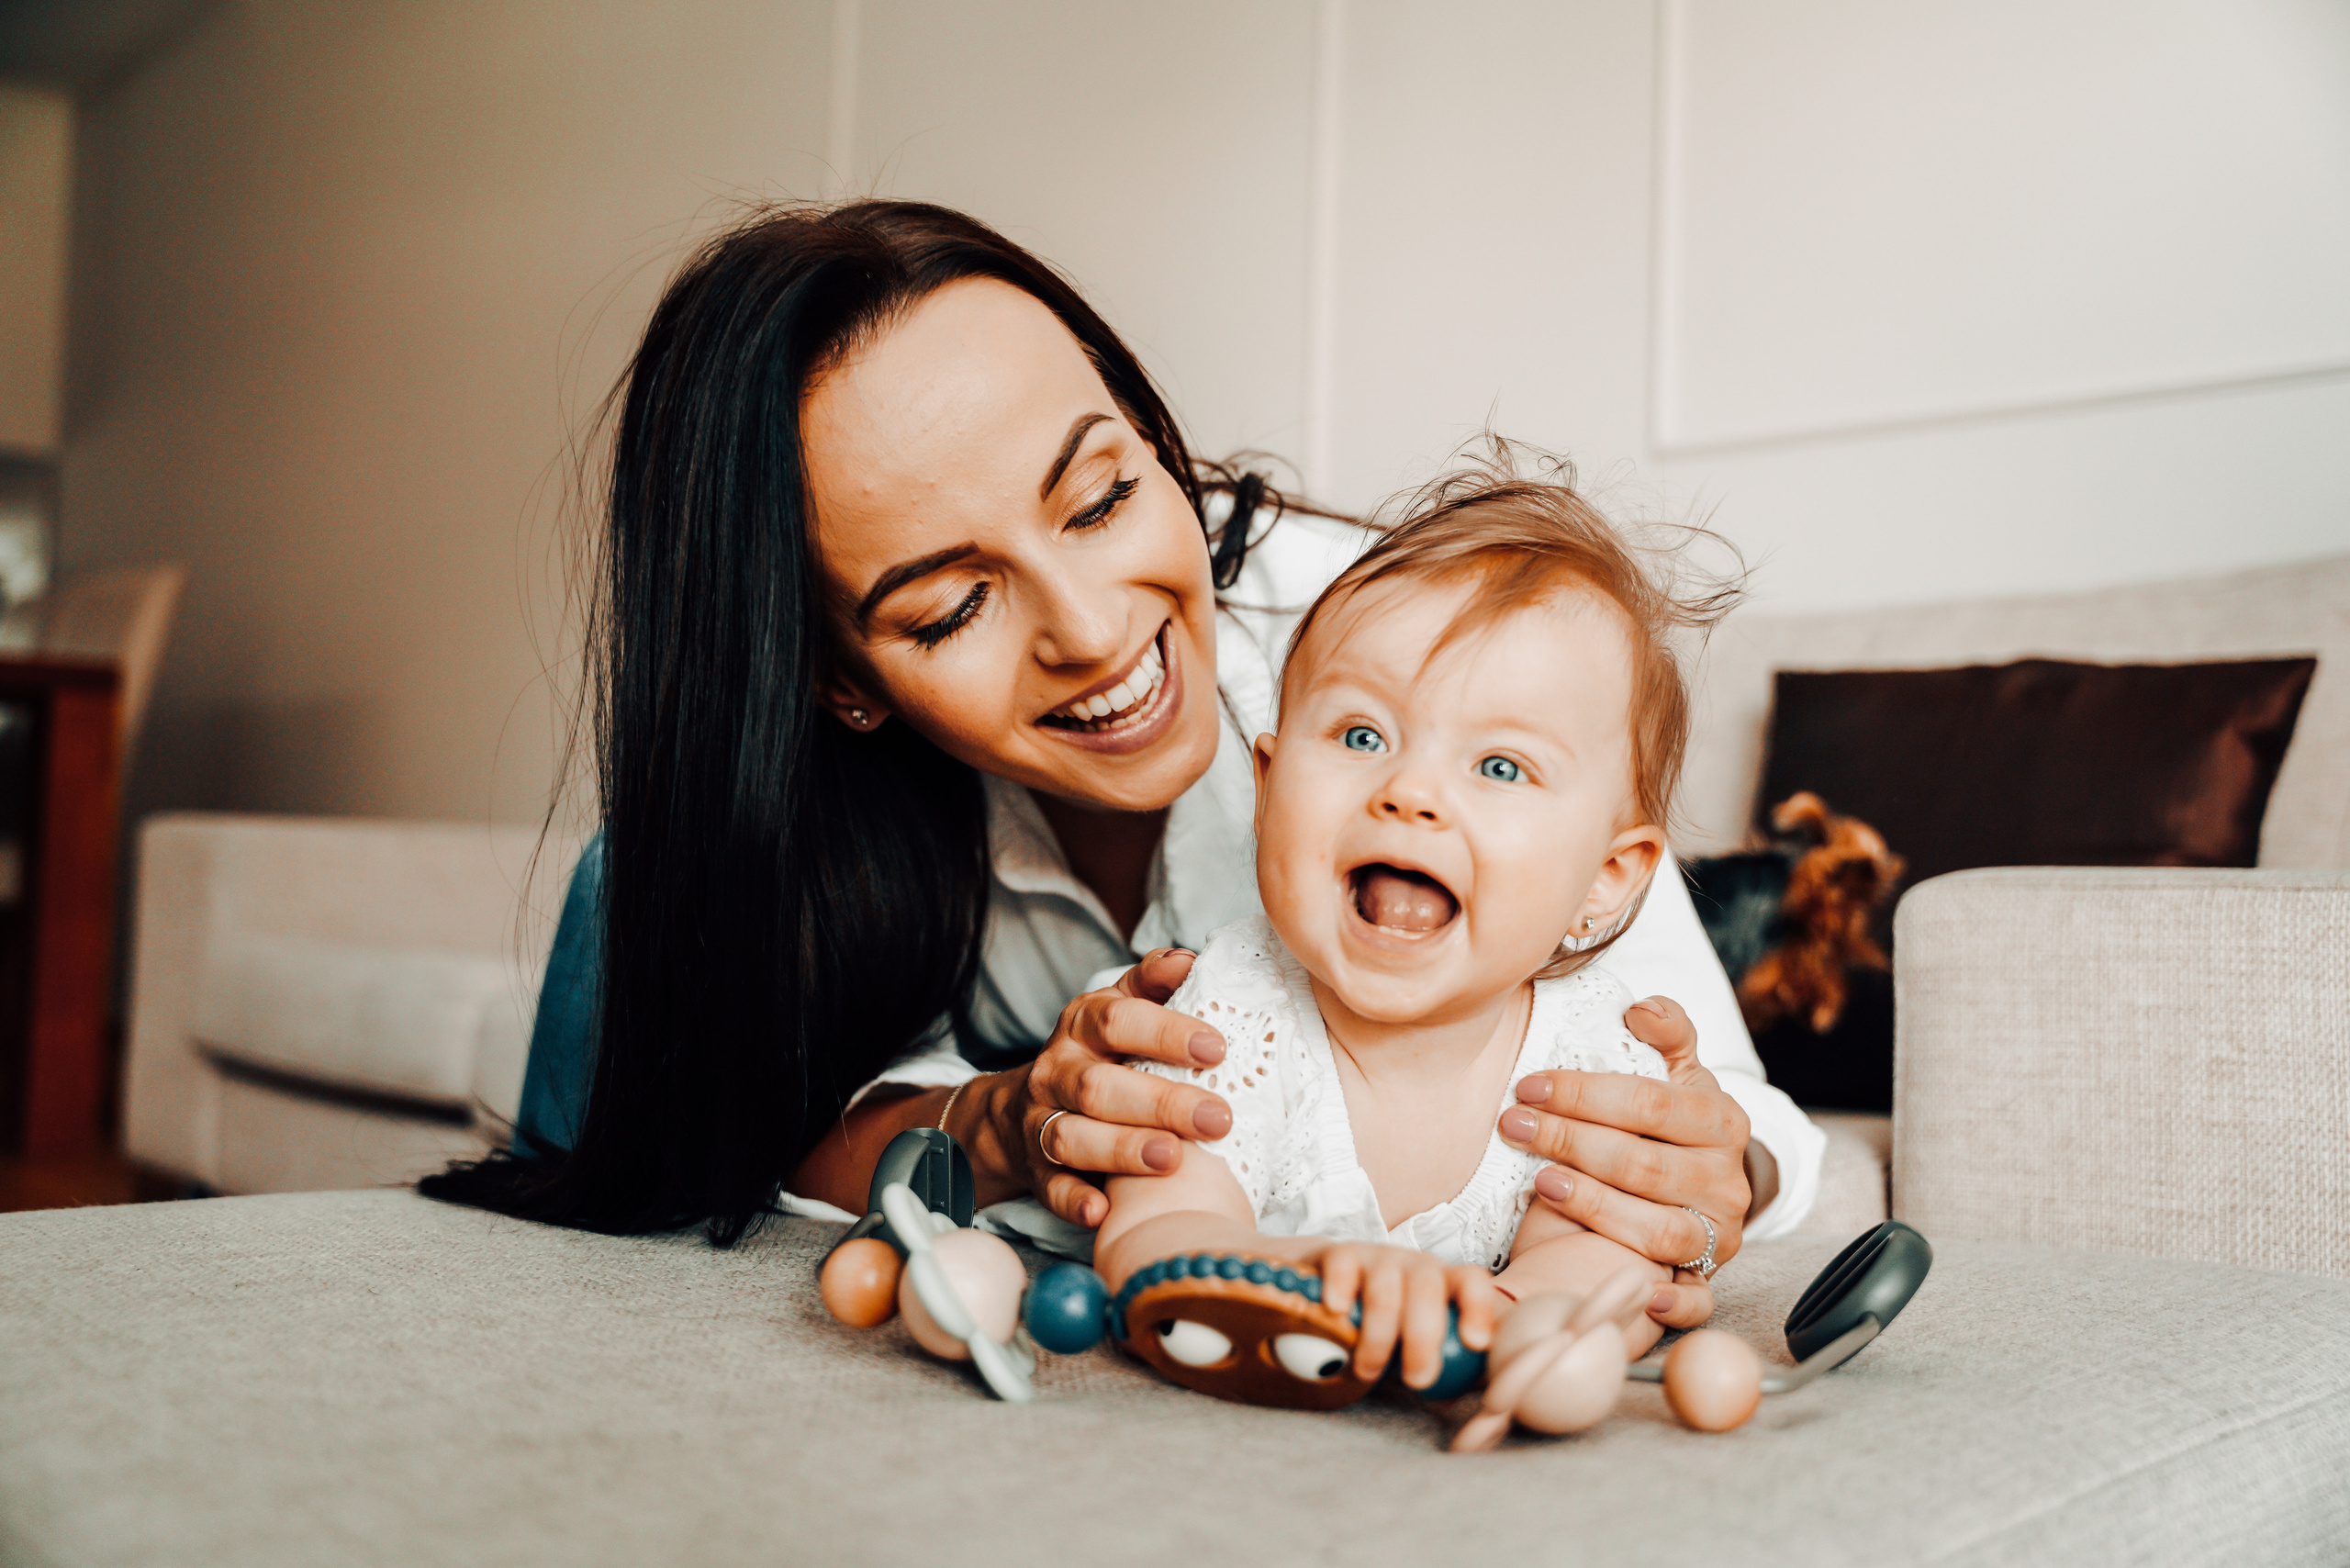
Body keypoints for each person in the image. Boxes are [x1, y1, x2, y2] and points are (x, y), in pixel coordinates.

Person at [421, 200, 1824, 1337]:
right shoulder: (823, 802)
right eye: (950, 608)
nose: (1094, 635)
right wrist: (1001, 1119)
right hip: (697, 911)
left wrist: (1709, 1169)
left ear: (1155, 444)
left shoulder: (1408, 669)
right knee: (633, 908)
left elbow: (1738, 1114)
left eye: (1102, 497)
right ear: (841, 679)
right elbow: (779, 1135)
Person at [1097, 457, 1722, 1391]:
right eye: (1360, 736)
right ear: (1264, 790)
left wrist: (1505, 1325)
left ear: (1606, 876)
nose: (1410, 792)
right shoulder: (1232, 1009)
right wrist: (1310, 1285)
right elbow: (1155, 1234)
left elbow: (1603, 1263)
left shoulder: (1594, 1055)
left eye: (1501, 767)